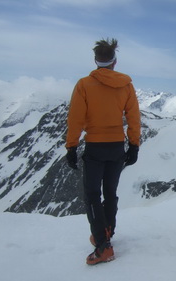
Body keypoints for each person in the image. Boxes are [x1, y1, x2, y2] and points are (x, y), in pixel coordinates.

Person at [65, 38, 141, 265]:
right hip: (117, 145)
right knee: (110, 192)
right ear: (114, 62)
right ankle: (106, 232)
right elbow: (134, 117)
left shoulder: (84, 84)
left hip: (95, 147)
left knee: (91, 195)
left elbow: (75, 119)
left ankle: (102, 246)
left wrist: (71, 146)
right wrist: (134, 145)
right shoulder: (126, 85)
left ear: (96, 61)